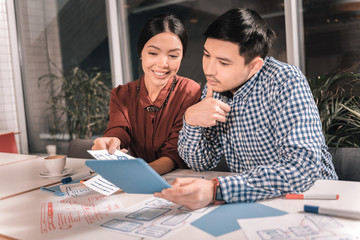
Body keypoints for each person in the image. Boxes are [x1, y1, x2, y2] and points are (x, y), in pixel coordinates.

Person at [154, 8, 338, 209]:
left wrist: (216, 190)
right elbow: (201, 163)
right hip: (253, 200)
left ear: (254, 66)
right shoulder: (213, 88)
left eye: (223, 63)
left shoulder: (285, 81)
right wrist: (190, 121)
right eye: (207, 55)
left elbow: (301, 170)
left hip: (314, 197)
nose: (209, 69)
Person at [92, 14, 201, 175]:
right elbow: (119, 130)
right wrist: (110, 142)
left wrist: (139, 174)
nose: (162, 64)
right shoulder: (122, 94)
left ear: (181, 57)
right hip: (136, 182)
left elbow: (173, 153)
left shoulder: (189, 92)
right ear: (141, 53)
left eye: (173, 55)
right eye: (153, 53)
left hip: (178, 180)